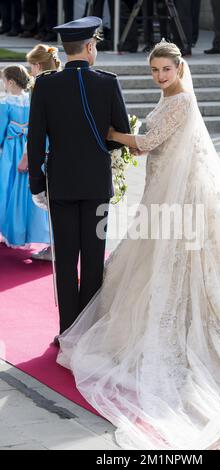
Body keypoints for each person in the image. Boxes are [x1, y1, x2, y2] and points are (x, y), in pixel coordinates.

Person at [57, 40, 220, 450]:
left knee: (180, 255)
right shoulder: (168, 97)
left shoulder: (181, 101)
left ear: (179, 67)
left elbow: (149, 143)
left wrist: (113, 133)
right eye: (154, 71)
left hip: (179, 193)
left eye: (164, 70)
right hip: (163, 186)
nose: (158, 77)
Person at [27, 16, 130, 345]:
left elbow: (35, 139)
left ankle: (68, 331)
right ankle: (89, 332)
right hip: (96, 184)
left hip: (61, 184)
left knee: (66, 258)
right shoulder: (107, 82)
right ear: (89, 47)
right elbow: (119, 136)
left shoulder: (45, 84)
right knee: (93, 255)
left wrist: (36, 184)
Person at [0, 65, 49, 247]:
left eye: (4, 81)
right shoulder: (31, 101)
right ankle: (25, 232)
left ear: (11, 82)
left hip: (11, 150)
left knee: (6, 186)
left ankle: (10, 231)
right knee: (23, 190)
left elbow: (0, 130)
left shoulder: (5, 104)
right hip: (29, 148)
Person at [24, 44, 62, 260]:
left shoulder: (42, 85)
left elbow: (36, 127)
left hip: (47, 148)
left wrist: (29, 157)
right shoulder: (62, 80)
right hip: (61, 148)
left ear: (38, 65)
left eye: (31, 67)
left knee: (51, 203)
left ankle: (53, 247)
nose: (31, 72)